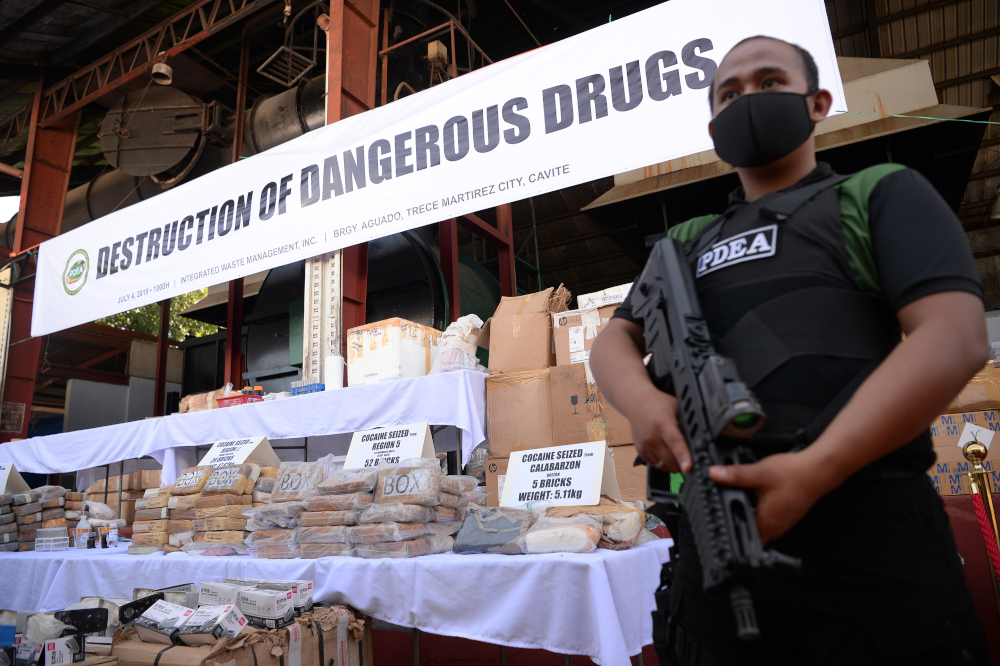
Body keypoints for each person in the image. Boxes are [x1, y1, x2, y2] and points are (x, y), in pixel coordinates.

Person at [589, 35, 989, 665]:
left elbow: (955, 333)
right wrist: (642, 404)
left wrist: (816, 468)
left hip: (868, 553)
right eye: (730, 92)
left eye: (770, 81)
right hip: (712, 565)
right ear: (714, 124)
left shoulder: (875, 194)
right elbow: (614, 338)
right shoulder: (687, 240)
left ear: (818, 102)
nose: (749, 98)